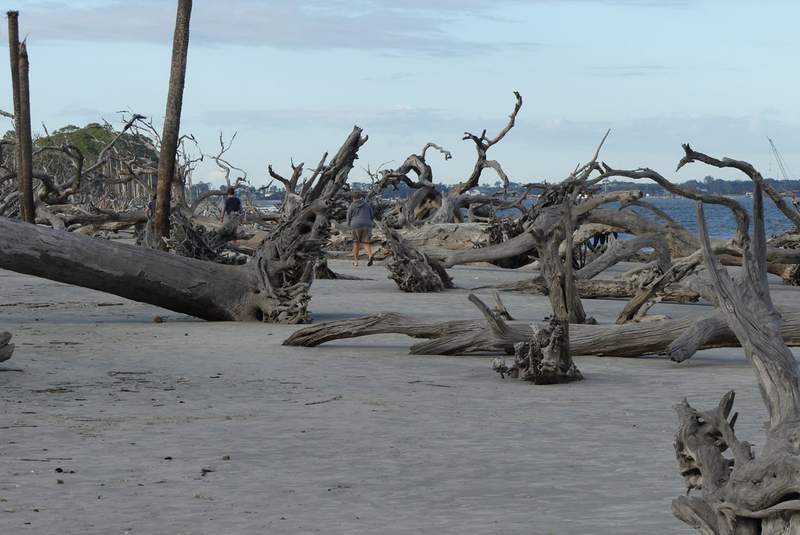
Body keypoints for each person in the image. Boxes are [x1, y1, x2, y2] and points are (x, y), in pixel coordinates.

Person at [346, 191, 374, 266]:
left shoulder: (352, 205)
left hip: (356, 225)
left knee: (356, 242)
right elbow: (372, 215)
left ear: (353, 198)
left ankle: (356, 261)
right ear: (360, 197)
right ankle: (370, 255)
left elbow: (348, 216)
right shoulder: (367, 205)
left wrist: (348, 225)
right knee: (366, 242)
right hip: (367, 224)